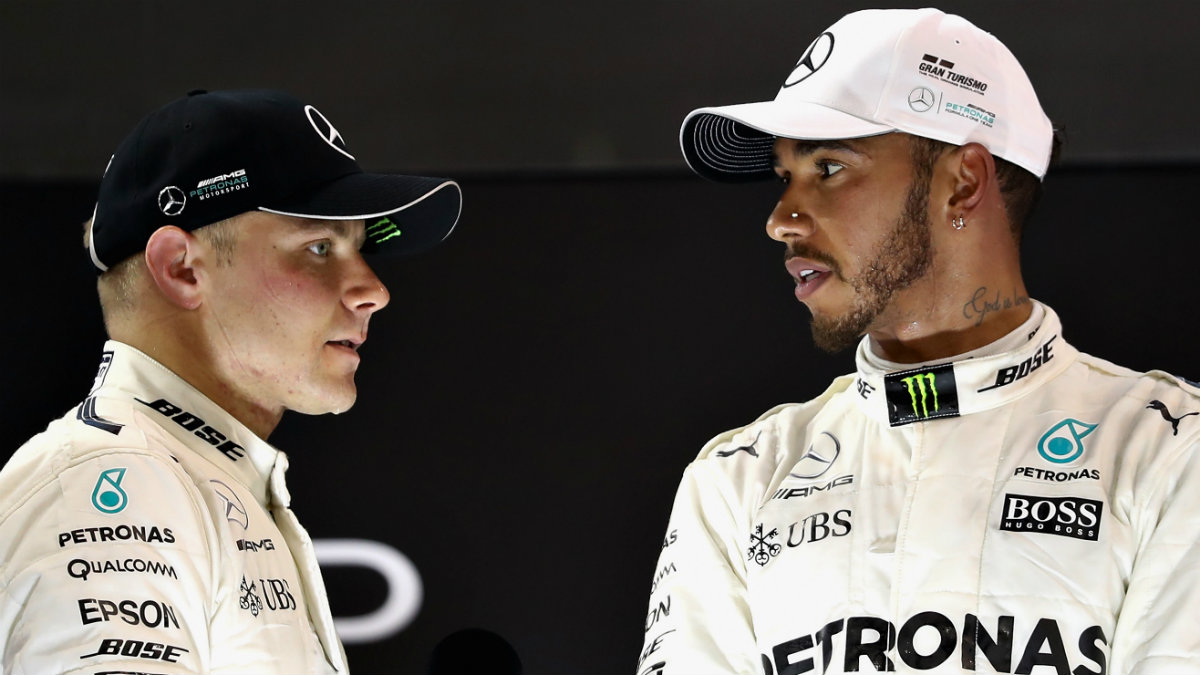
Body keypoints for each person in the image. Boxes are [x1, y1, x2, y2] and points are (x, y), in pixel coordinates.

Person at [639, 8, 1200, 674]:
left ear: (963, 182)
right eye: (782, 176)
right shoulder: (736, 478)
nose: (781, 220)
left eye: (827, 167)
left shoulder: (1169, 451)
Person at [0, 89, 462, 674]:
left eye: (361, 248)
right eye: (319, 247)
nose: (374, 290)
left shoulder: (195, 476)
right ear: (181, 268)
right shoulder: (116, 485)